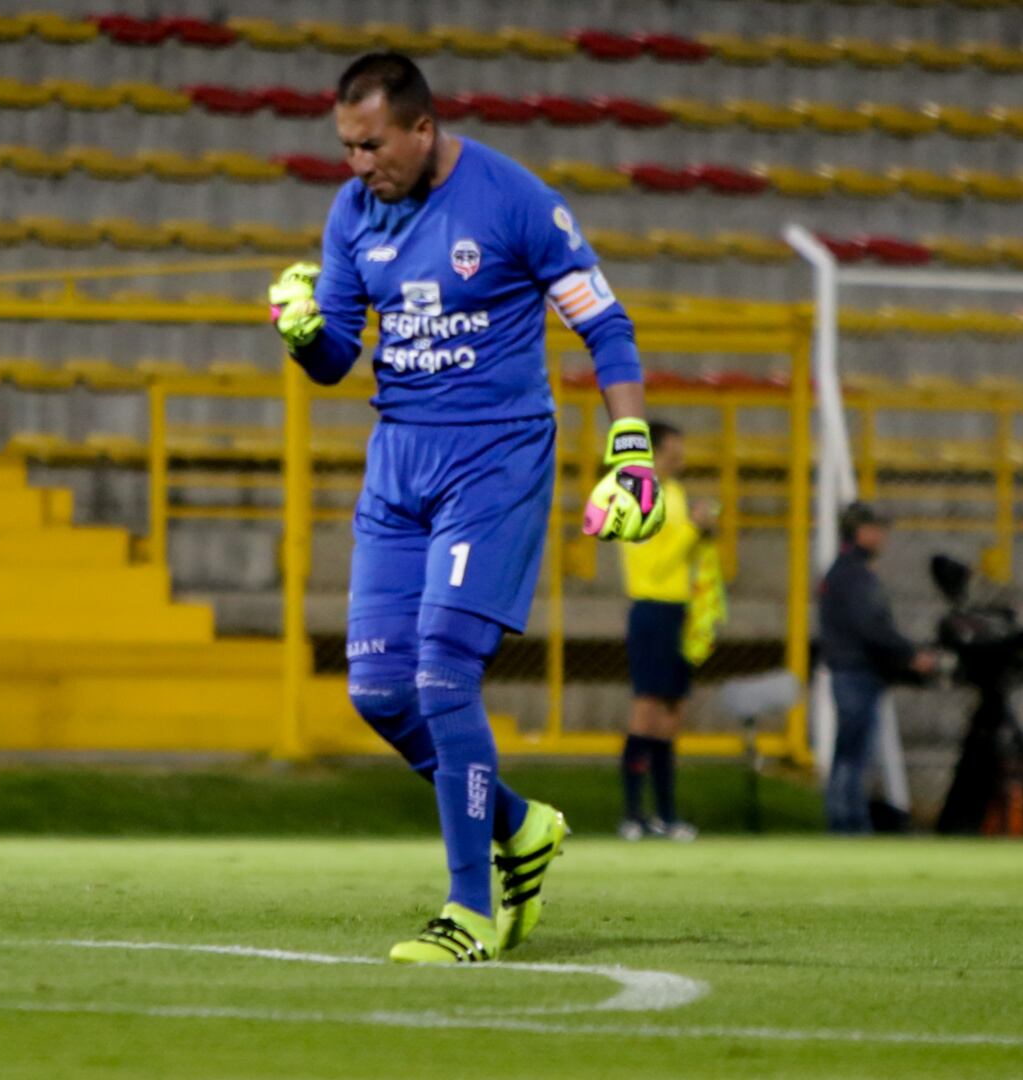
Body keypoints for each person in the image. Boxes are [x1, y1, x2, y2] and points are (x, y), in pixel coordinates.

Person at [267, 52, 664, 964]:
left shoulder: (512, 199)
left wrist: (630, 447)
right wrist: (301, 334)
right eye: (346, 148)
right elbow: (336, 358)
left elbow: (603, 322)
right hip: (398, 464)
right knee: (377, 689)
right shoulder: (351, 213)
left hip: (494, 458)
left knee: (445, 674)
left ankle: (468, 911)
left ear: (421, 127)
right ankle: (520, 830)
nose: (359, 165)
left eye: (372, 146)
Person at [618, 422, 718, 842]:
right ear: (656, 450)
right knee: (647, 709)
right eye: (675, 447)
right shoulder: (638, 493)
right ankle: (632, 815)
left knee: (671, 716)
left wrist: (701, 534)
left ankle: (665, 815)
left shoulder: (674, 493)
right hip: (651, 609)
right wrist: (693, 531)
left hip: (678, 611)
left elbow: (678, 556)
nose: (682, 454)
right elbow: (654, 565)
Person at [817, 501, 936, 834]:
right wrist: (909, 655)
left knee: (849, 753)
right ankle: (849, 825)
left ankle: (845, 822)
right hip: (856, 672)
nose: (883, 537)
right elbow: (870, 628)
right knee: (853, 756)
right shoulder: (854, 576)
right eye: (877, 529)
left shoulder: (843, 573)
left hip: (849, 671)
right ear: (861, 532)